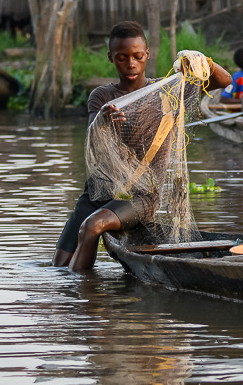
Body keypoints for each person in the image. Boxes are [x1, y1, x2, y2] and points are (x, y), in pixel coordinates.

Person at [52, 20, 232, 272]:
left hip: (140, 197)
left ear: (147, 55)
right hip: (97, 192)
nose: (131, 64)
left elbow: (224, 80)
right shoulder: (103, 97)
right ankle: (69, 289)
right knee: (58, 265)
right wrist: (104, 119)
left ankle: (84, 298)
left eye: (137, 56)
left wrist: (203, 61)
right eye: (122, 57)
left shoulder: (167, 93)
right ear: (111, 58)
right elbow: (93, 130)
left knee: (92, 226)